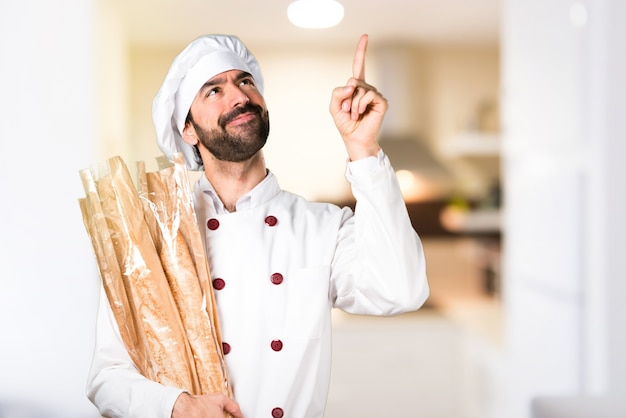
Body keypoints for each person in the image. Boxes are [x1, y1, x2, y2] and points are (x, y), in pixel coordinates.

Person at [86, 33, 429, 418]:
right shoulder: (153, 239)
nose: (239, 96)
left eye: (245, 81)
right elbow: (107, 377)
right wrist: (176, 407)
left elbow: (401, 290)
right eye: (213, 90)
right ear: (188, 131)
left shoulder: (323, 227)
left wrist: (362, 148)